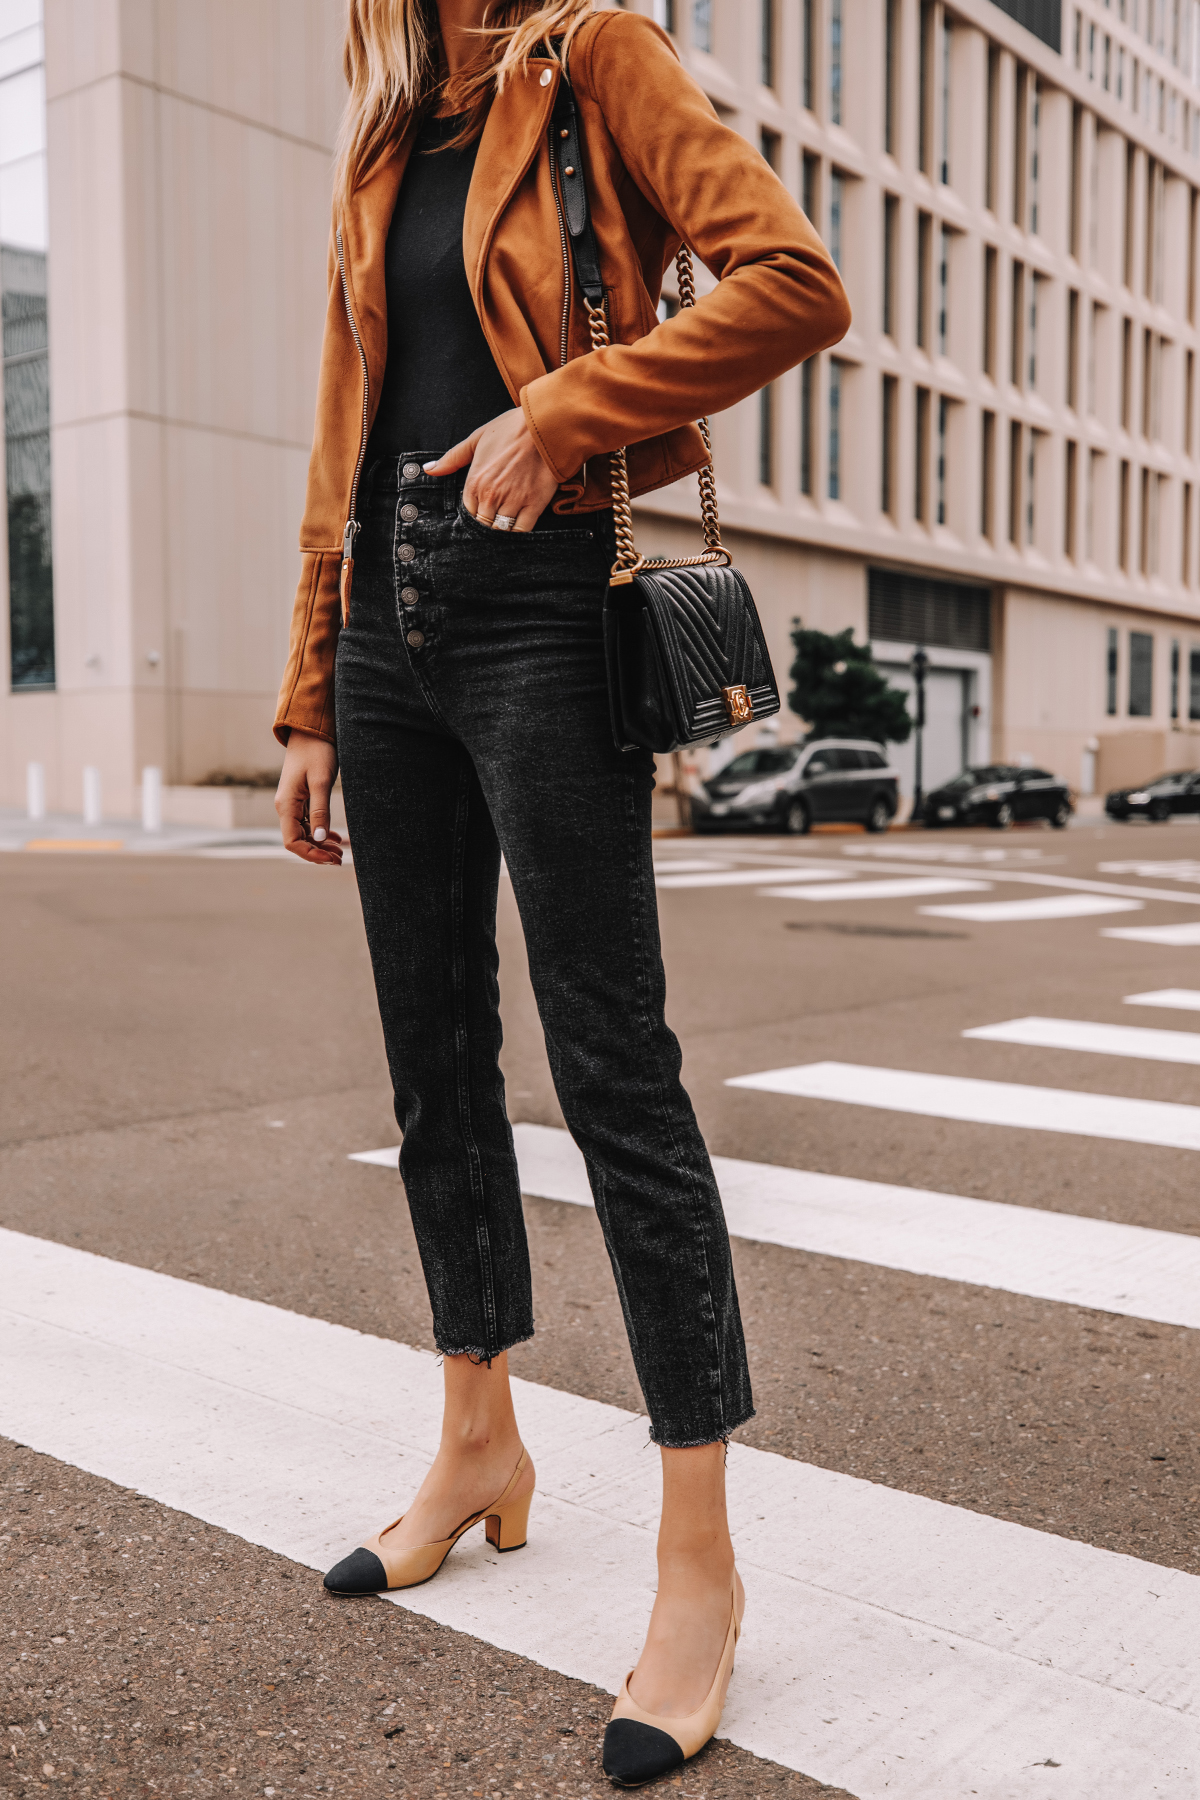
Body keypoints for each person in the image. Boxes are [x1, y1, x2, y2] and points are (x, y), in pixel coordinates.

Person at [273, 0, 849, 1783]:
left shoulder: (594, 52)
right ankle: (478, 1445)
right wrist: (311, 685)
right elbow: (341, 426)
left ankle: (698, 1561)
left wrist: (559, 412)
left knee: (615, 1074)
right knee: (436, 1066)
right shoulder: (388, 124)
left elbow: (792, 278)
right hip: (390, 629)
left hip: (538, 606)